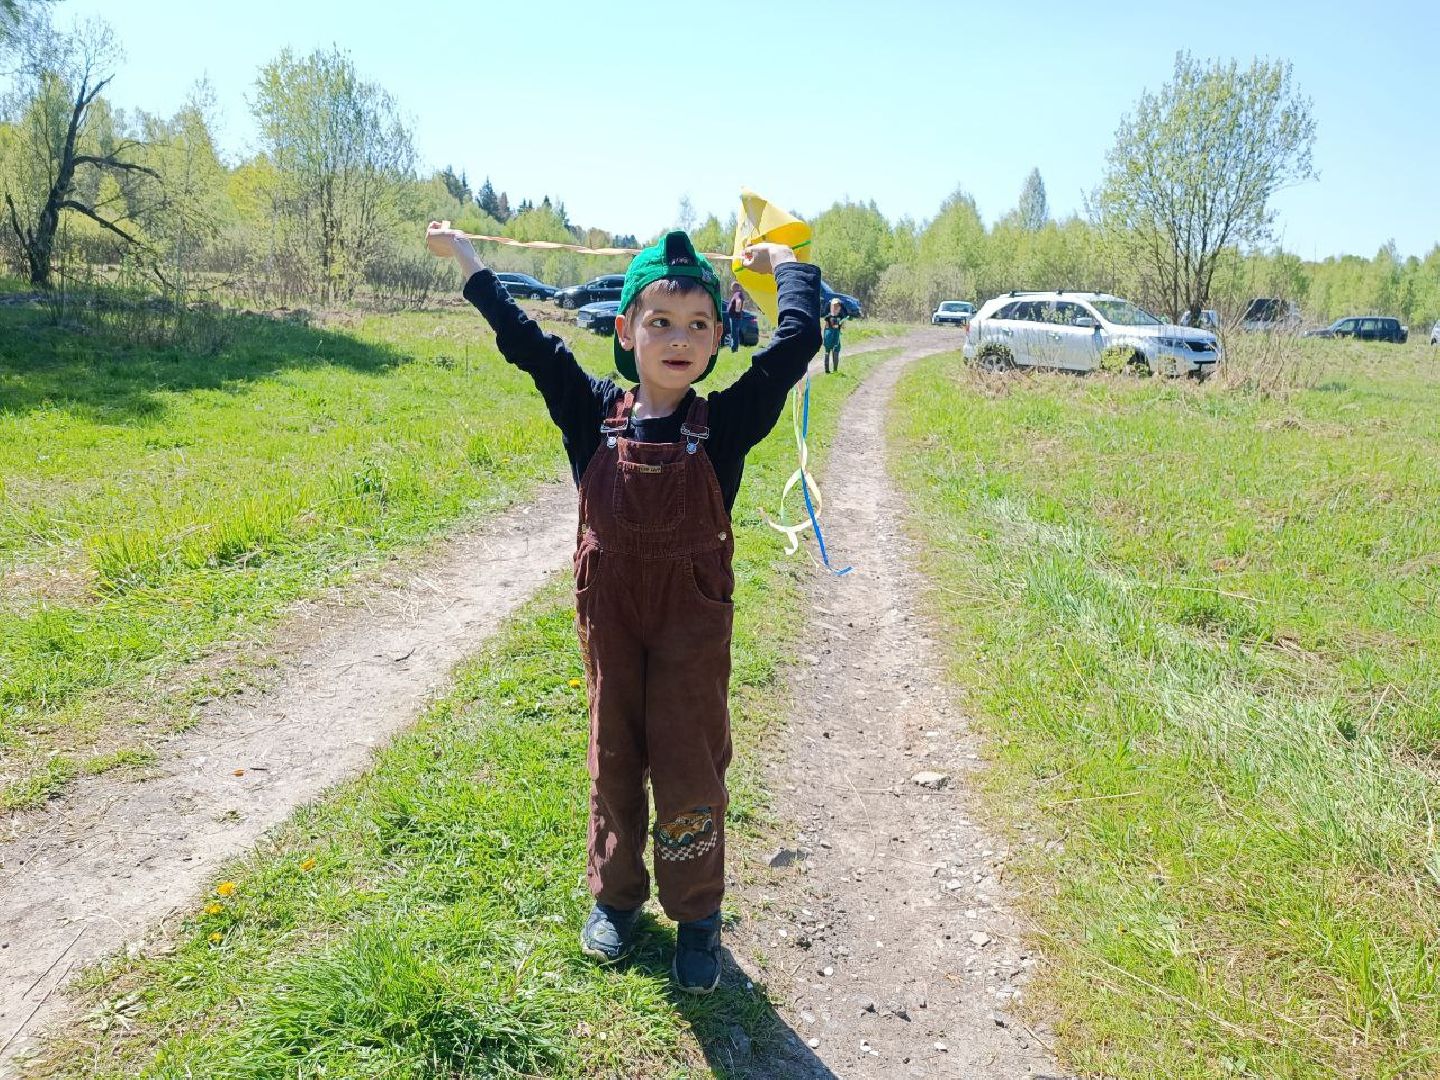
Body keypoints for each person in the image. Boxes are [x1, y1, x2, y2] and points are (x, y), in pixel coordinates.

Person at [426, 221, 821, 994]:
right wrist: (470, 263)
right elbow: (524, 340)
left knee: (689, 768)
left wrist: (789, 266)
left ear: (719, 336)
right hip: (611, 619)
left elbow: (795, 346)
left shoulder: (727, 424)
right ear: (626, 330)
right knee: (613, 757)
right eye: (661, 321)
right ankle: (615, 899)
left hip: (690, 625)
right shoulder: (590, 411)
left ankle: (697, 916)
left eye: (699, 324)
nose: (679, 339)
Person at [821, 297, 847, 373]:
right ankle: (827, 370)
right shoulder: (828, 317)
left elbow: (843, 327)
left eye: (837, 306)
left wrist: (842, 325)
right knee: (827, 352)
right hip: (828, 338)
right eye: (834, 306)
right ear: (831, 307)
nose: (835, 308)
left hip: (836, 338)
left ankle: (835, 370)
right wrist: (824, 337)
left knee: (836, 352)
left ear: (839, 307)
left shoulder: (840, 317)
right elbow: (825, 328)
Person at [723, 281, 746, 352]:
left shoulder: (737, 294)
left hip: (735, 317)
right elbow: (742, 302)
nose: (731, 288)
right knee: (735, 333)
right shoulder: (739, 294)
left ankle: (734, 349)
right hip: (735, 317)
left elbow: (738, 301)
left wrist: (737, 310)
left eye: (732, 287)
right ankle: (735, 348)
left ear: (736, 287)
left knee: (734, 333)